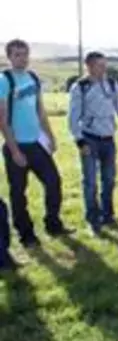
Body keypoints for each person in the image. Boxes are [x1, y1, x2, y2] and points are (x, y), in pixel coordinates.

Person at [0, 39, 72, 248]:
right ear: (9, 57)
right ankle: (26, 234)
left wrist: (49, 136)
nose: (22, 59)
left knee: (53, 183)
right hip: (17, 145)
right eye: (17, 55)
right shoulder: (5, 81)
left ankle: (53, 224)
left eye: (25, 54)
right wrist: (14, 150)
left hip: (37, 144)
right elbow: (2, 120)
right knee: (18, 192)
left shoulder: (32, 78)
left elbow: (40, 111)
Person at [68, 51, 118, 235]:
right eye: (100, 65)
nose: (104, 69)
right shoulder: (80, 87)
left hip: (108, 139)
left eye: (105, 65)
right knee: (90, 181)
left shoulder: (111, 84)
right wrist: (80, 141)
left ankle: (108, 215)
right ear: (88, 66)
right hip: (89, 139)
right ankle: (93, 219)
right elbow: (73, 117)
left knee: (109, 179)